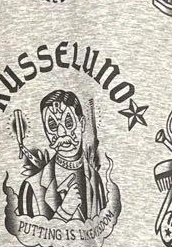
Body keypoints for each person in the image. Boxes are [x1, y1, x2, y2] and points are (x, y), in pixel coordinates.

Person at [15, 91, 107, 222]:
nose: (61, 133)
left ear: (82, 123)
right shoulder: (32, 188)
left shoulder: (96, 181)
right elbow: (26, 232)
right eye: (52, 126)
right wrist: (64, 211)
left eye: (68, 123)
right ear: (45, 131)